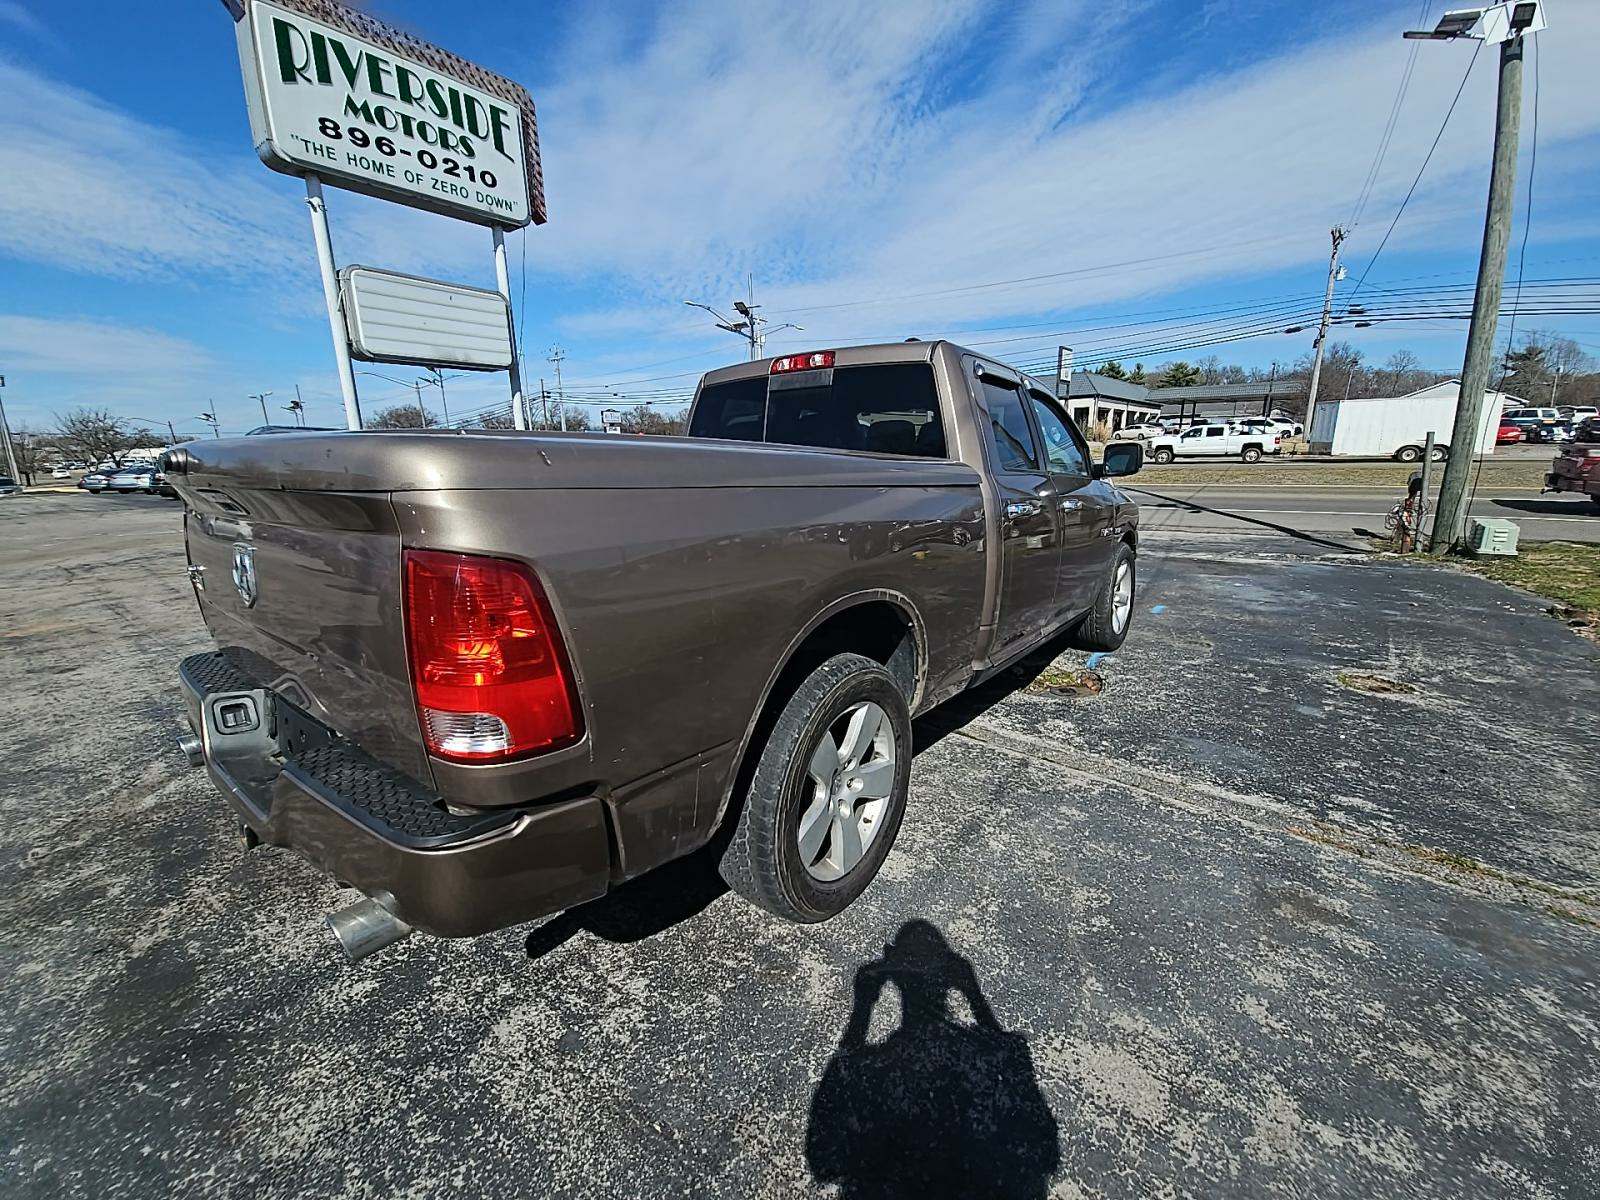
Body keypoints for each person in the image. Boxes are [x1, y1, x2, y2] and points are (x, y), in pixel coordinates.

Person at [806, 921, 1060, 1199]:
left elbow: (824, 1154)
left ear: (892, 966)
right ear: (952, 971)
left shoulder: (880, 1069)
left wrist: (863, 1008)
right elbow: (1043, 1144)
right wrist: (975, 998)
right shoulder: (983, 1059)